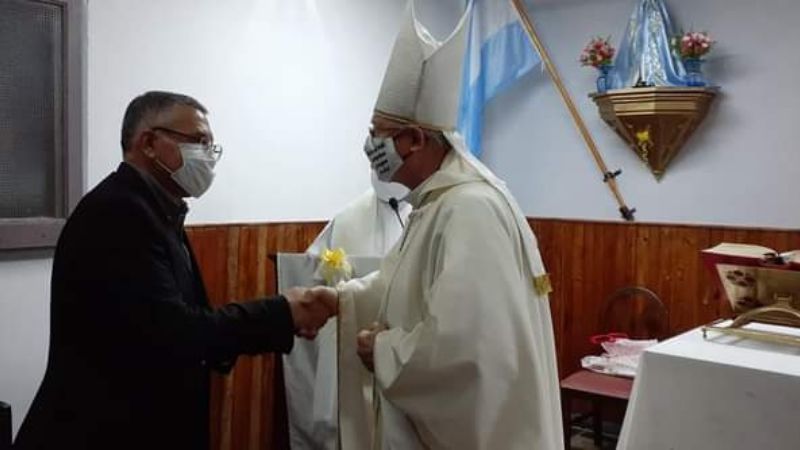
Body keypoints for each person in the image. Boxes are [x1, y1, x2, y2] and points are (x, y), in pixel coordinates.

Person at [13, 91, 336, 450]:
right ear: (150, 143)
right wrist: (282, 311)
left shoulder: (158, 211)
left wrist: (281, 317)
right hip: (102, 432)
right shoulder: (118, 213)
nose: (208, 158)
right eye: (199, 142)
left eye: (212, 146)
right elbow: (177, 333)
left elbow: (188, 323)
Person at [313, 2, 564, 449]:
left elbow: (467, 347)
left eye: (379, 131)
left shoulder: (469, 209)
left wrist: (383, 352)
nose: (370, 144)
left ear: (414, 139)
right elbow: (397, 286)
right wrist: (340, 300)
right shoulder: (435, 203)